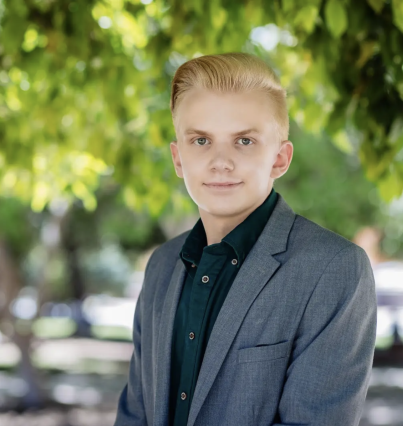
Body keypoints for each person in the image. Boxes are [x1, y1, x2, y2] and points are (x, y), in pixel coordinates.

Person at [113, 52, 377, 426]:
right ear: (177, 158)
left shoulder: (333, 269)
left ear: (280, 159)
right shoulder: (160, 265)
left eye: (245, 141)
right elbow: (135, 416)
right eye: (201, 140)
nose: (221, 161)